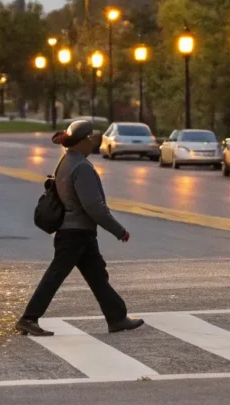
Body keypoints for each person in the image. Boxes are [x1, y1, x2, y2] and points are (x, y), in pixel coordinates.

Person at [15, 119, 145, 336]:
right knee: (55, 275)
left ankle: (117, 318)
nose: (94, 142)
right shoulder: (81, 167)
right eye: (90, 138)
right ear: (82, 141)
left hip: (78, 233)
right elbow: (94, 206)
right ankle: (29, 318)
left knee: (97, 275)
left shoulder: (66, 161)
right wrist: (118, 230)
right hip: (75, 233)